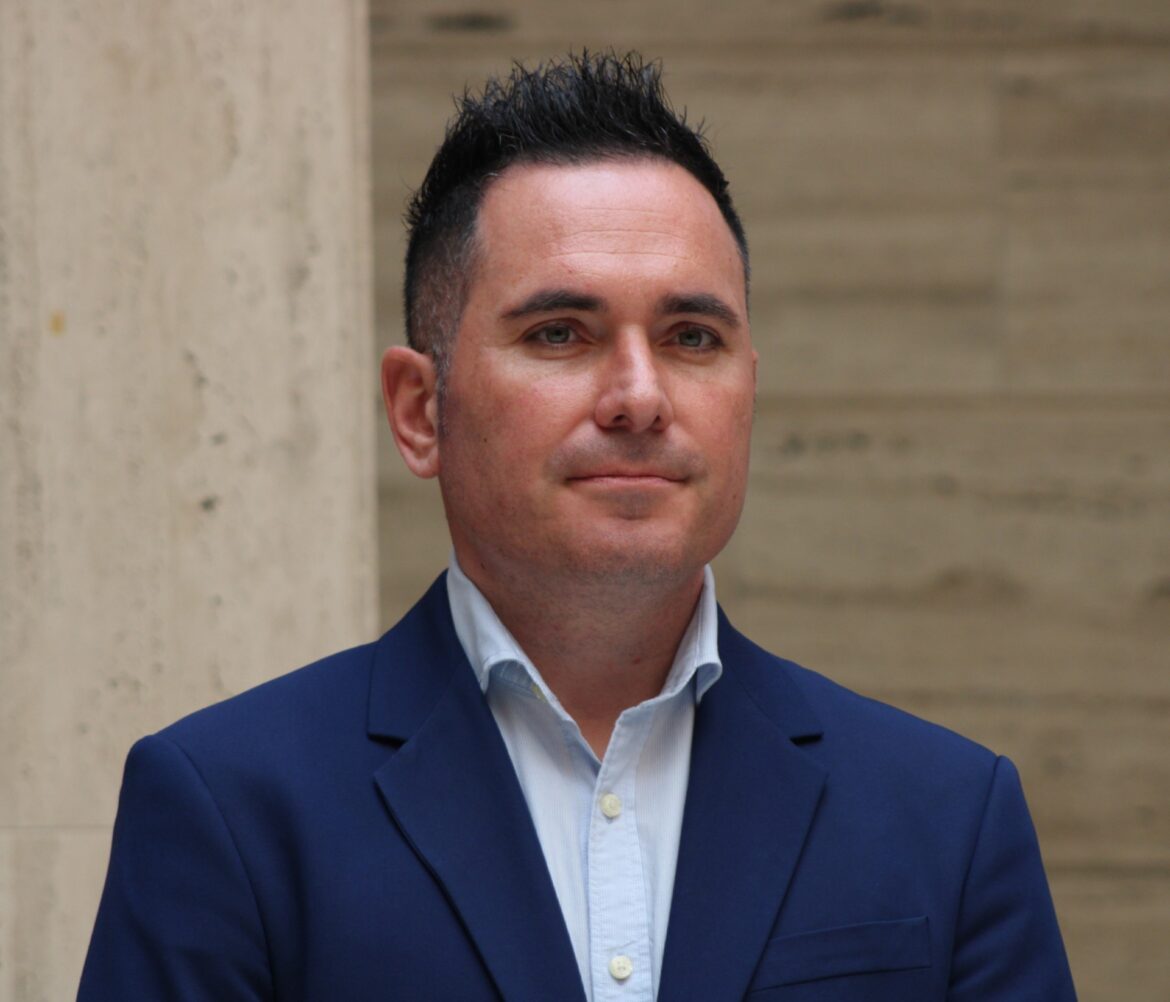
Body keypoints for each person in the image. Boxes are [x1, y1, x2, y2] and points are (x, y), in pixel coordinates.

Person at [79, 52, 1076, 1001]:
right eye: (560, 333)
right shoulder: (229, 809)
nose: (640, 396)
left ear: (749, 393)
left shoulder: (948, 818)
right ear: (421, 411)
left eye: (692, 337)